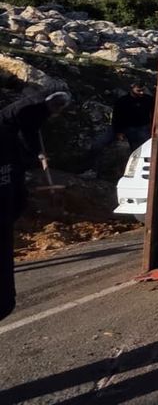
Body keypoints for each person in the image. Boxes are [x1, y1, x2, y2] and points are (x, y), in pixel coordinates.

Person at [1, 91, 72, 321]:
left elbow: (31, 132)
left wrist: (39, 154)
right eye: (57, 107)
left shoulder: (38, 114)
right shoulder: (24, 110)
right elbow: (24, 127)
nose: (57, 112)